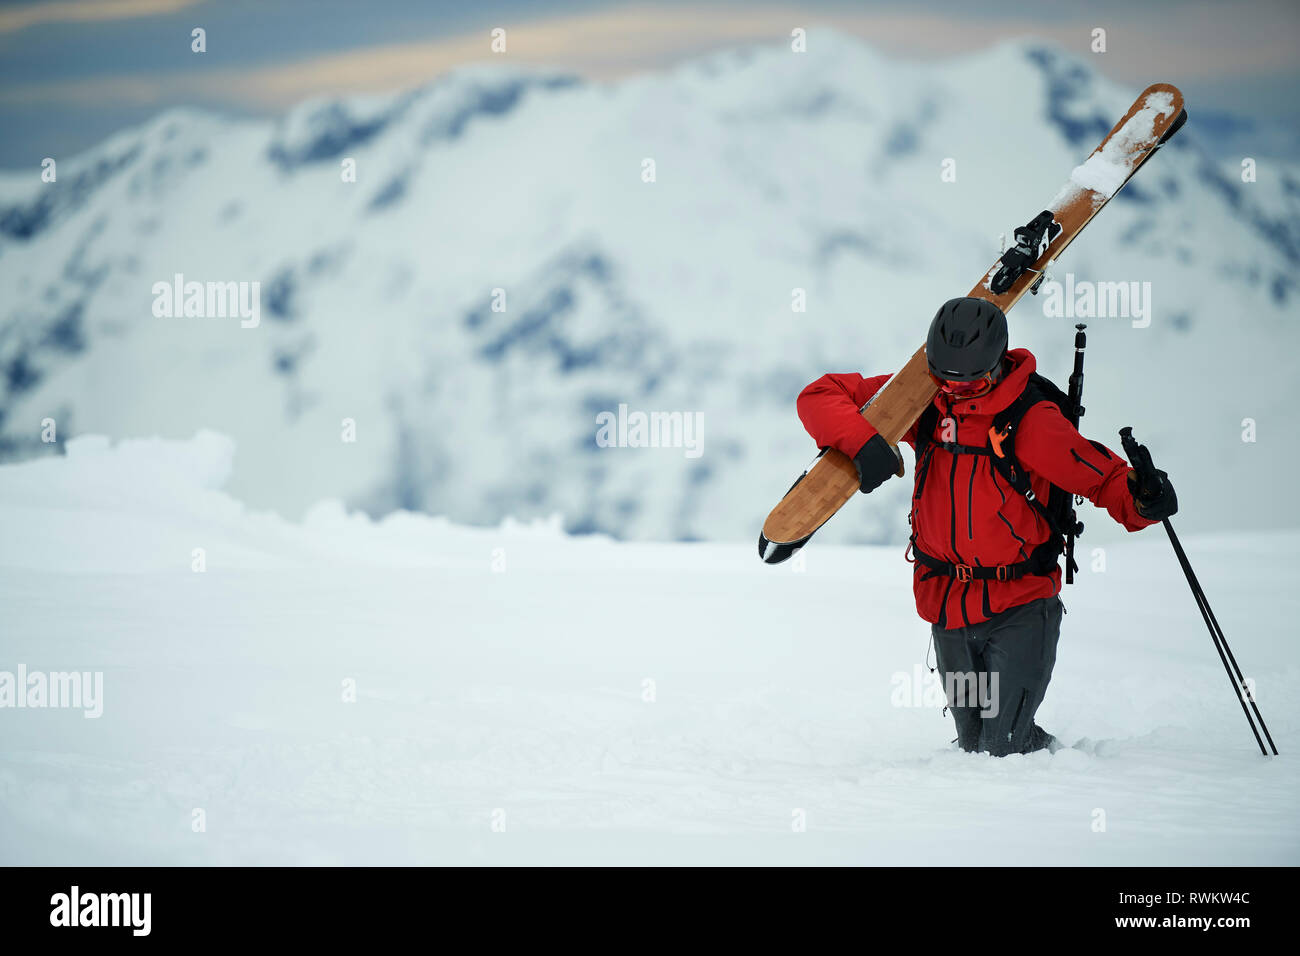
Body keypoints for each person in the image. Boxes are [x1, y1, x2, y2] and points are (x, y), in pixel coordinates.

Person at [795, 297, 1178, 755]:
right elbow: (819, 395)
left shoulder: (1031, 421)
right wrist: (861, 442)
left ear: (995, 364)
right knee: (974, 746)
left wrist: (1144, 498)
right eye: (944, 376)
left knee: (1005, 747)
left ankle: (1073, 778)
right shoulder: (923, 402)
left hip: (1018, 607)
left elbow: (1104, 479)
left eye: (968, 378)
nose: (955, 389)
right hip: (946, 606)